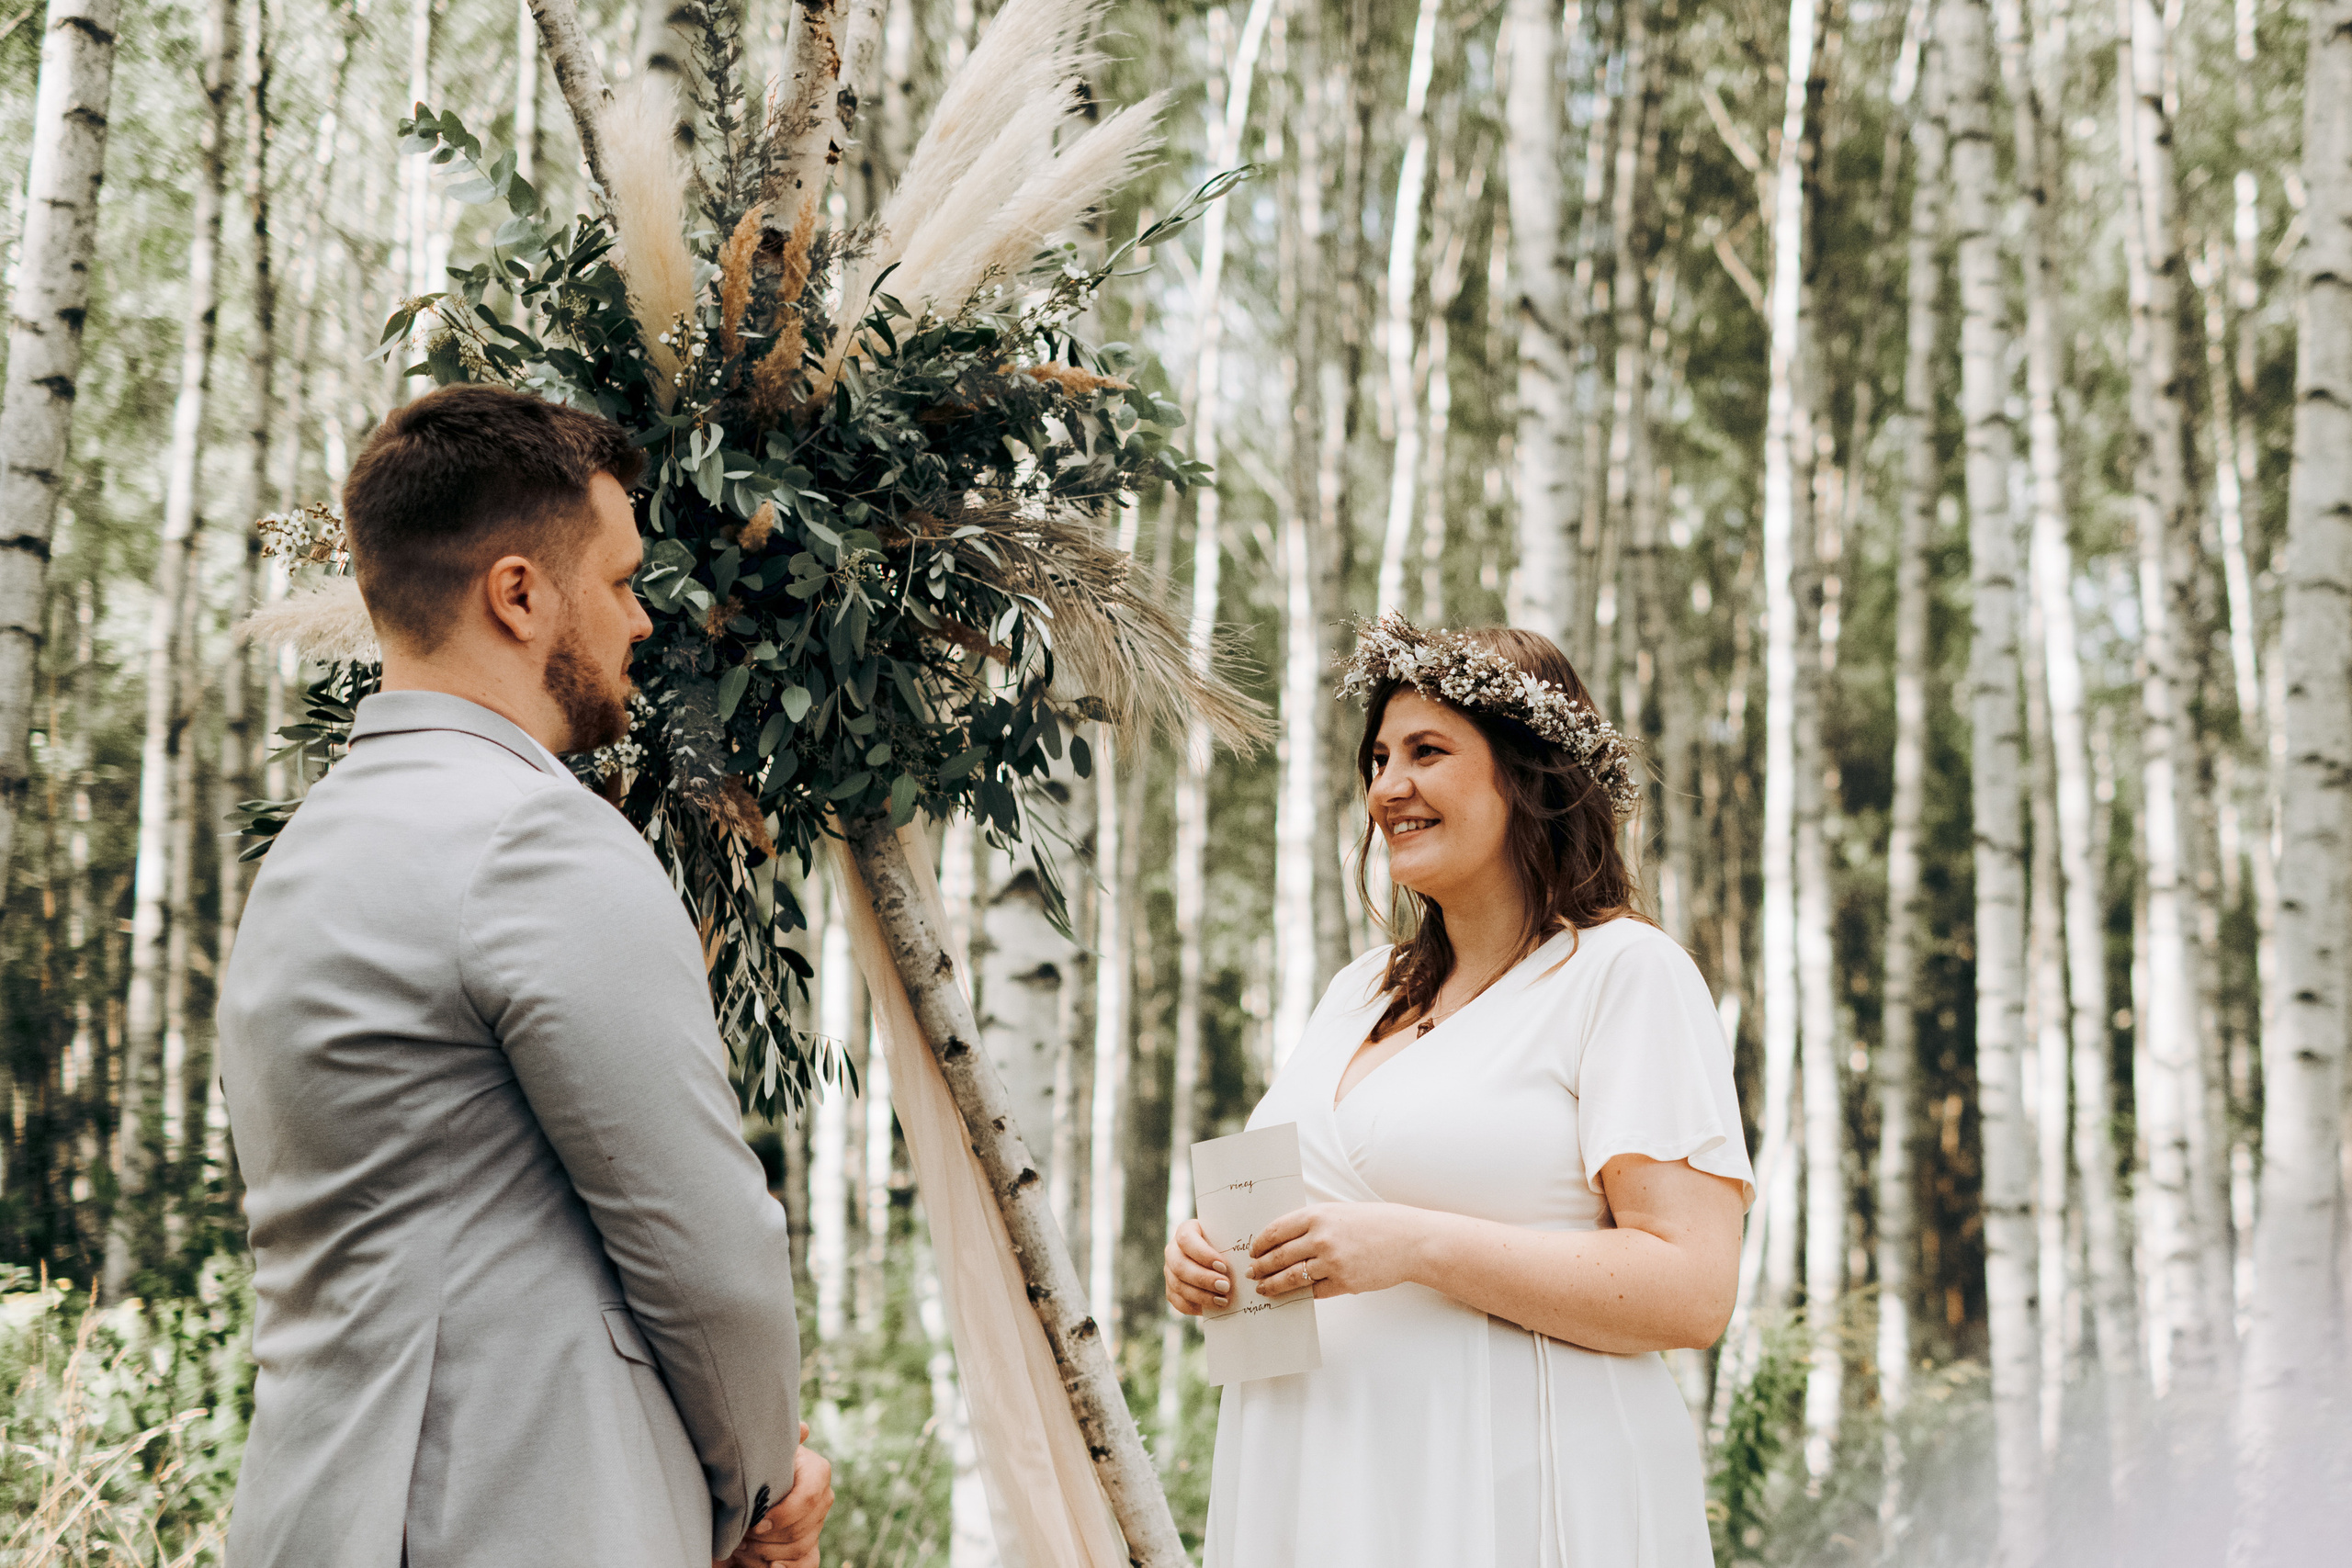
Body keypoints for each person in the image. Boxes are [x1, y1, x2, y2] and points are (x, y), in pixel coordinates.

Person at [217, 384, 831, 1568]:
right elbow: (705, 1247)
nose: (639, 624)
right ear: (518, 594)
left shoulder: (309, 853)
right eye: (616, 582)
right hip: (518, 1513)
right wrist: (764, 1485)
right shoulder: (532, 839)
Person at [1166, 617, 1753, 1568]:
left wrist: (1413, 1245)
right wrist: (1210, 1259)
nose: (1386, 787)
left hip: (1510, 1488)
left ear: (1529, 775)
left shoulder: (1623, 974)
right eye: (1378, 757)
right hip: (1313, 1475)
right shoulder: (1355, 991)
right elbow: (1307, 1206)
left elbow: (1691, 1293)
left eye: (1427, 752)